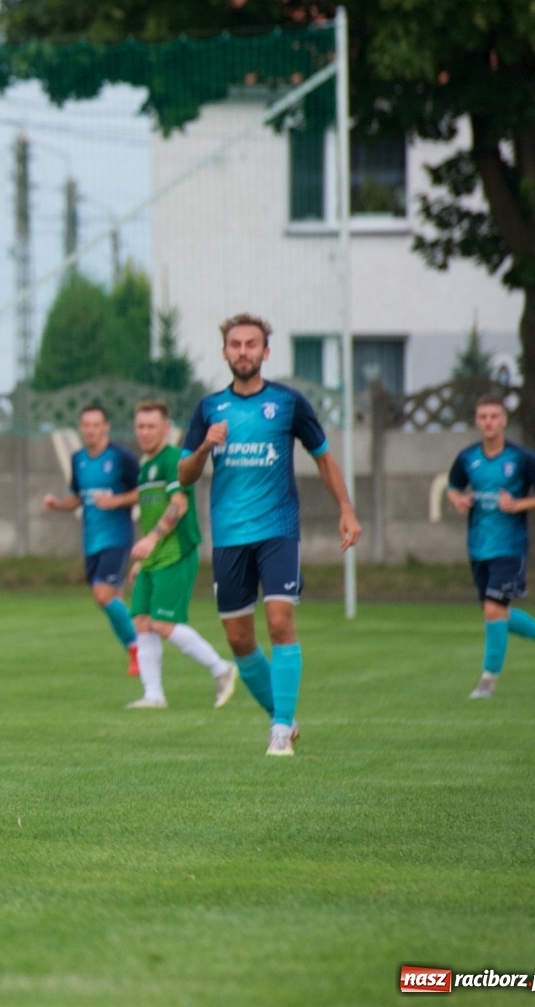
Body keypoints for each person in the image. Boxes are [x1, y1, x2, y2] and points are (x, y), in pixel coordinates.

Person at [179, 314, 361, 756]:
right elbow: (184, 476)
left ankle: (280, 730)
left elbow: (323, 457)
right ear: (224, 352)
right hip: (229, 537)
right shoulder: (208, 409)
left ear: (265, 352)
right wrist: (205, 444)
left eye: (251, 344)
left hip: (278, 531)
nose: (243, 352)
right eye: (235, 344)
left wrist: (346, 508)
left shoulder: (288, 403)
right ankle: (284, 717)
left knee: (280, 622)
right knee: (239, 639)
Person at [121, 400, 237, 710]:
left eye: (151, 426)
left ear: (166, 428)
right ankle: (153, 695)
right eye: (140, 426)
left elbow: (179, 505)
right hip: (154, 555)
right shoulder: (146, 467)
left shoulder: (173, 459)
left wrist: (152, 541)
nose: (145, 432)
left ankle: (221, 668)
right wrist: (142, 557)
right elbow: (151, 515)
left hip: (175, 552)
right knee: (142, 622)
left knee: (162, 624)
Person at [445, 396, 535, 698]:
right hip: (478, 546)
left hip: (510, 547)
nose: (488, 421)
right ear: (476, 421)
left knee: (493, 609)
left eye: (494, 416)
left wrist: (518, 504)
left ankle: (487, 681)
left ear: (504, 420)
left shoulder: (521, 458)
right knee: (497, 614)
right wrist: (458, 499)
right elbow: (453, 487)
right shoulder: (467, 457)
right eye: (483, 416)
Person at [43, 404, 141, 675]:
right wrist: (57, 504)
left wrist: (116, 500)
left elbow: (145, 490)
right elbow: (78, 496)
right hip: (91, 540)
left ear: (106, 427)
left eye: (96, 425)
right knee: (112, 600)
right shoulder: (78, 459)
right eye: (86, 425)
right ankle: (138, 651)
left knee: (102, 594)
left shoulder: (121, 457)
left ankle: (137, 648)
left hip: (117, 537)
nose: (91, 430)